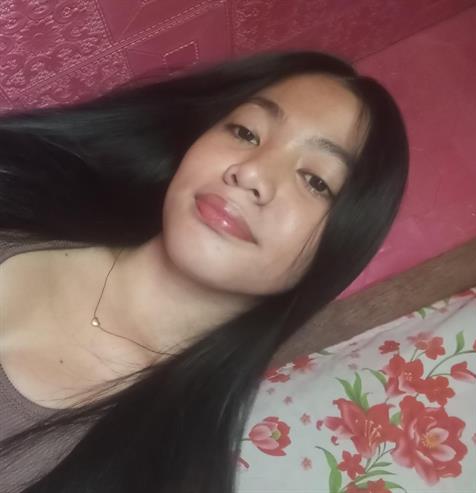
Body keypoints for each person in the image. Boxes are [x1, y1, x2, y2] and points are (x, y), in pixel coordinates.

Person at [0, 50, 409, 493]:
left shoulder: (171, 475)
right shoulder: (19, 187)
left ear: (338, 250)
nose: (251, 172)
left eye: (316, 180)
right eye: (245, 132)